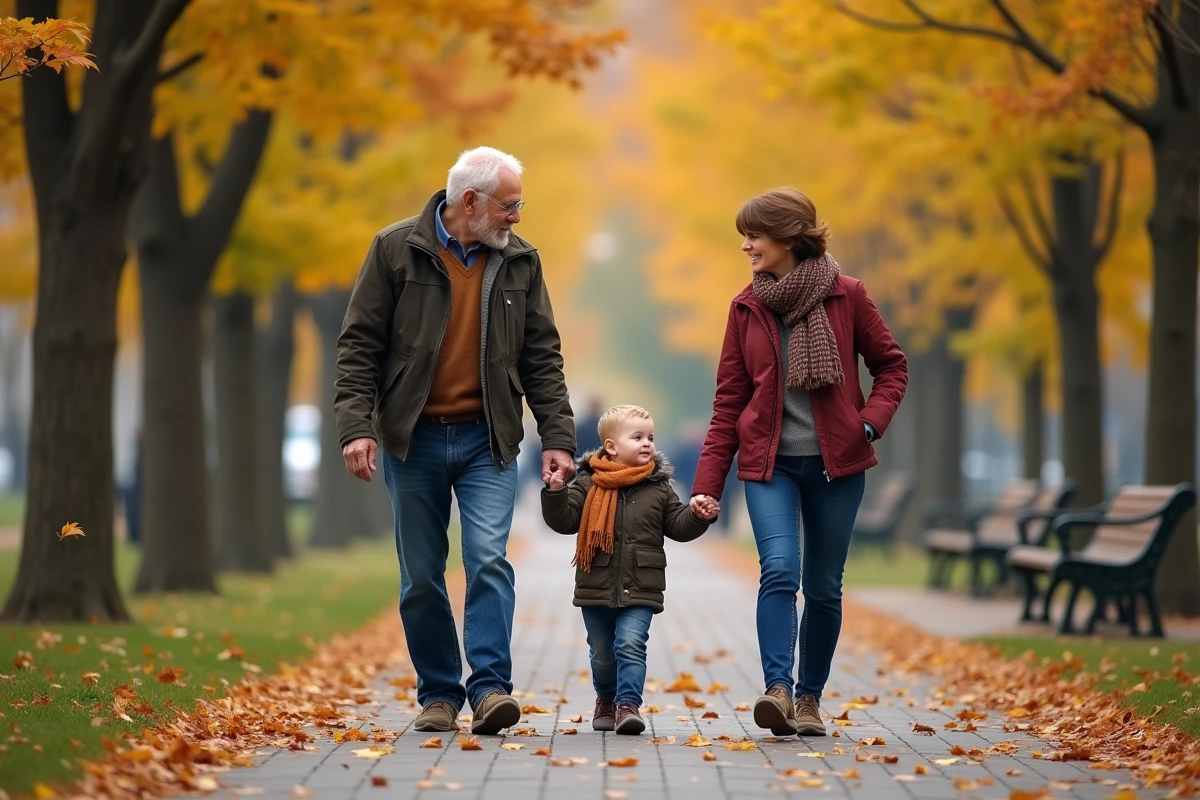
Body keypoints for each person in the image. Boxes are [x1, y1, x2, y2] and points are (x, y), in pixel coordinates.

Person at [334, 146, 577, 735]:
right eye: (510, 205)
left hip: (486, 440)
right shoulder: (395, 249)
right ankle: (439, 693)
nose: (517, 217)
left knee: (489, 559)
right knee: (421, 574)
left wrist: (558, 437)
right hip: (410, 440)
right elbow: (359, 345)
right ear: (471, 200)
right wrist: (356, 427)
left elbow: (543, 356)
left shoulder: (521, 261)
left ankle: (491, 689)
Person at [691, 188, 907, 737]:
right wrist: (707, 484)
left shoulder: (848, 296)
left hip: (839, 467)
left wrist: (867, 423)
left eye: (754, 235)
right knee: (780, 572)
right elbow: (728, 403)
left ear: (788, 237)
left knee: (825, 587)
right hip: (772, 468)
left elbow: (891, 367)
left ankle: (809, 699)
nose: (746, 246)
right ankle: (778, 691)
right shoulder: (746, 308)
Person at [541, 405, 718, 735]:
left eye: (650, 437)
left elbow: (678, 526)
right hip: (596, 583)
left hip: (642, 585)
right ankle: (605, 699)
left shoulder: (660, 488)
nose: (647, 443)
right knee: (603, 655)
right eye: (637, 437)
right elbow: (564, 521)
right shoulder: (587, 484)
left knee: (631, 644)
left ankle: (628, 706)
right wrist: (555, 493)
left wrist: (698, 516)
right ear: (611, 447)